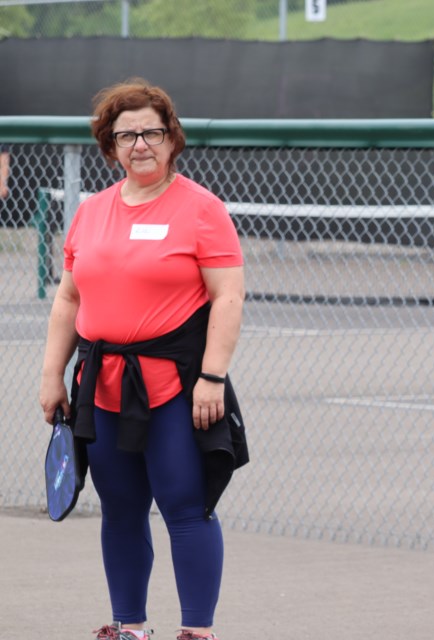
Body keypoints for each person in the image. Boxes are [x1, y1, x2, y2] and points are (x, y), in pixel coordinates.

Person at [38, 79, 246, 640]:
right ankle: (129, 627)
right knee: (121, 509)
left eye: (152, 132)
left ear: (172, 139)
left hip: (177, 388)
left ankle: (197, 632)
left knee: (186, 505)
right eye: (126, 135)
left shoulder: (202, 210)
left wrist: (212, 378)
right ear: (110, 147)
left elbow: (228, 296)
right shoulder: (91, 212)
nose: (140, 145)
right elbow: (69, 297)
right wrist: (52, 374)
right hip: (100, 386)